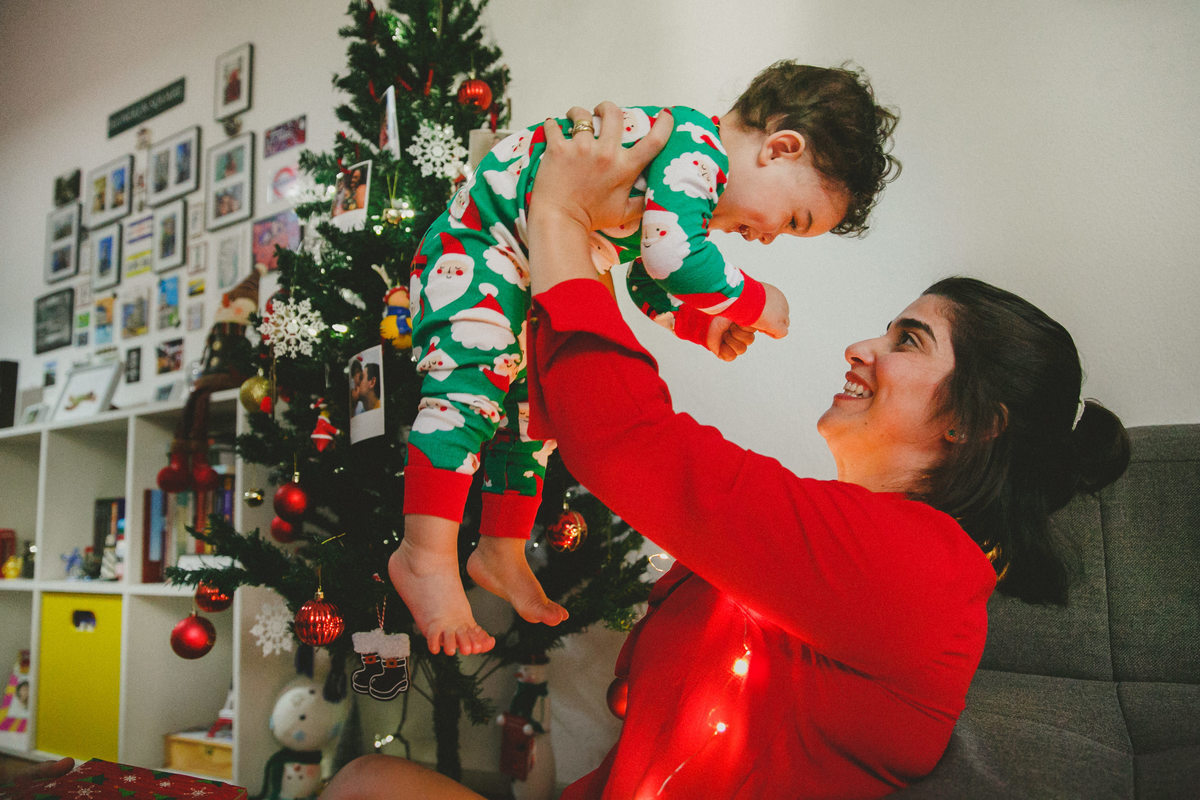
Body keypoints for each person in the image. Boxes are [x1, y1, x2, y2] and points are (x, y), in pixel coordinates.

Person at [323, 103, 1130, 798]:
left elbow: (628, 445)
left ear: (975, 422)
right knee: (363, 781)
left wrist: (561, 216)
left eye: (907, 341)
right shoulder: (828, 538)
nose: (861, 347)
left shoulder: (925, 569)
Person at [393, 61, 901, 657]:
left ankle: (499, 548)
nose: (769, 239)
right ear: (780, 148)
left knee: (536, 420)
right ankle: (423, 555)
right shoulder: (694, 146)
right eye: (792, 220)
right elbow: (670, 258)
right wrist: (759, 301)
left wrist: (700, 325)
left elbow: (642, 279)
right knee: (466, 397)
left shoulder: (680, 177)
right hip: (477, 251)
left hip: (523, 273)